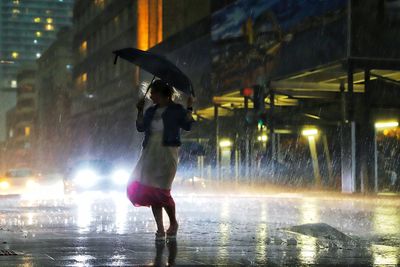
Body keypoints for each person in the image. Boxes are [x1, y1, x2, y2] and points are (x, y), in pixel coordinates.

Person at [127, 79, 194, 241]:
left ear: (162, 94)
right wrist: (140, 111)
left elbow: (188, 125)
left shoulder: (176, 110)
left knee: (162, 191)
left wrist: (189, 108)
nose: (150, 96)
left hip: (168, 152)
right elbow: (141, 127)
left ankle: (173, 223)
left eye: (153, 93)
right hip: (150, 152)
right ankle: (159, 228)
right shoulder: (150, 111)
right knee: (151, 191)